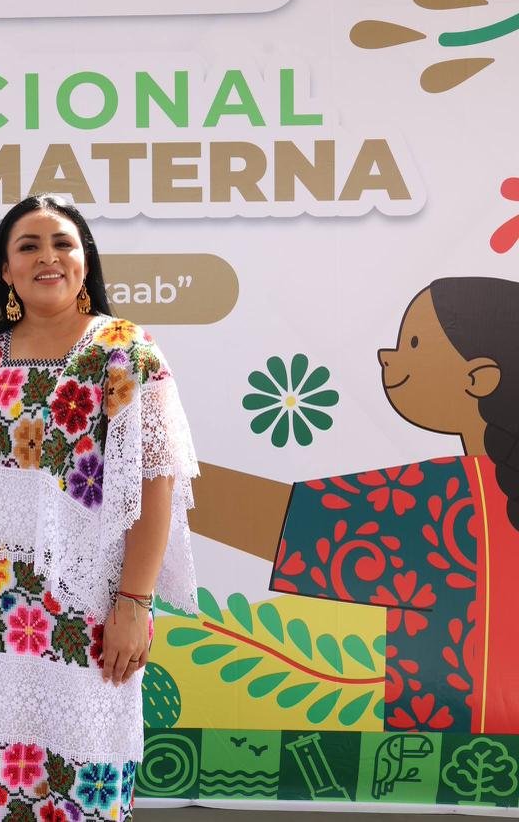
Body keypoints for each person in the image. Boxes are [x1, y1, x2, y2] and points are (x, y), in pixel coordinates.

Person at [0, 195, 198, 821]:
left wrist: (134, 603)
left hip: (92, 609)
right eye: (28, 247)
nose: (47, 257)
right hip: (0, 613)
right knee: (2, 779)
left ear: (85, 259)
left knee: (86, 776)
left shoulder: (124, 351)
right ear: (5, 272)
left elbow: (155, 484)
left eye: (62, 243)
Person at [192, 276, 519, 734]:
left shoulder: (452, 500)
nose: (390, 356)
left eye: (415, 342)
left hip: (448, 753)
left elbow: (282, 523)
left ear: (478, 378)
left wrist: (135, 469)